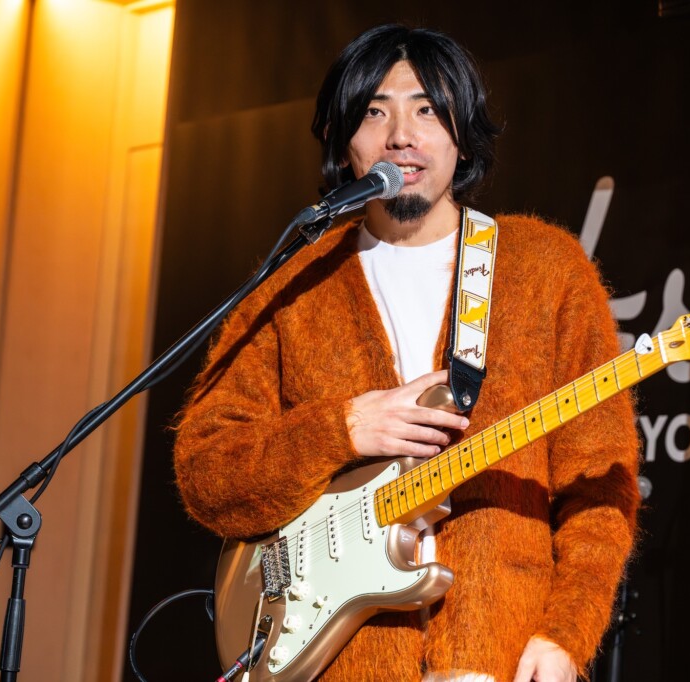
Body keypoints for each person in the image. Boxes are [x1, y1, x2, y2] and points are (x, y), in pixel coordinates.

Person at [173, 23, 640, 682]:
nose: (401, 134)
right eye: (374, 112)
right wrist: (343, 428)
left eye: (427, 109)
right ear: (342, 139)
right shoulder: (292, 288)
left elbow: (602, 480)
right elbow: (207, 472)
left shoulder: (546, 270)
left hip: (494, 664)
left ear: (462, 134)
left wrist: (566, 632)